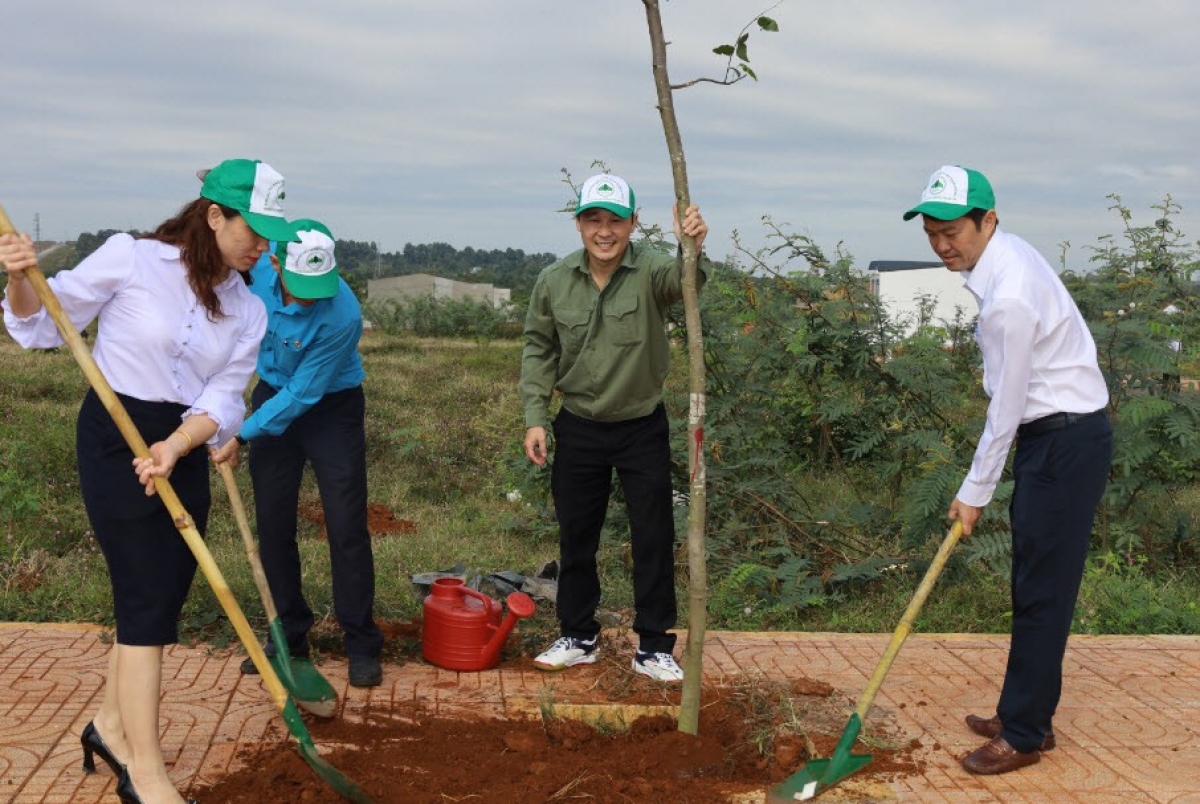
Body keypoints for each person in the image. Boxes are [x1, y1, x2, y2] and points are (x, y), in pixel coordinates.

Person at [0, 158, 292, 804]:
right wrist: (21, 278)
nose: (263, 246)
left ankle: (107, 726)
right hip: (114, 437)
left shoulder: (249, 309)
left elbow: (226, 397)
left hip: (180, 447)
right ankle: (146, 772)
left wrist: (178, 444)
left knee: (160, 599)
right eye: (256, 229)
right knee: (140, 600)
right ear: (215, 217)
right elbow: (41, 322)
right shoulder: (131, 259)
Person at [903, 165, 1112, 775]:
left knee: (1043, 592)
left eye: (953, 232)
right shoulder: (999, 259)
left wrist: (975, 493)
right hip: (1054, 437)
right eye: (933, 233)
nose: (943, 245)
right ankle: (1026, 710)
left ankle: (1024, 734)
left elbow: (1008, 405)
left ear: (987, 220)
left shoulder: (1010, 295)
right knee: (1032, 583)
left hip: (1064, 441)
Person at [519, 173, 709, 683]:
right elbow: (539, 348)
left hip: (640, 427)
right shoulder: (555, 280)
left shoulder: (651, 270)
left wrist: (689, 248)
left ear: (633, 223)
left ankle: (653, 645)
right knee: (576, 536)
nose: (604, 231)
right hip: (578, 425)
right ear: (579, 223)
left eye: (615, 221)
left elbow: (686, 283)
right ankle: (578, 635)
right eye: (593, 220)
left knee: (653, 534)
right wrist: (535, 416)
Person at [211, 219, 384, 688]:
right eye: (301, 285)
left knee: (346, 523)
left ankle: (361, 642)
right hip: (270, 395)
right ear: (275, 264)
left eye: (319, 285)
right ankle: (287, 635)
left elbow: (306, 394)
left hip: (332, 407)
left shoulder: (342, 316)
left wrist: (241, 435)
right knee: (273, 523)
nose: (311, 296)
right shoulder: (258, 273)